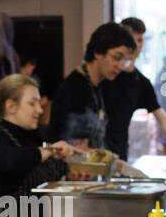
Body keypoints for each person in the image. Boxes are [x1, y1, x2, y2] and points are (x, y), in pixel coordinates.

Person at [0, 73, 76, 217]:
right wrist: (48, 151)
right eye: (32, 103)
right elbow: (11, 162)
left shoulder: (35, 139)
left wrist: (70, 174)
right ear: (11, 106)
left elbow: (48, 177)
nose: (40, 110)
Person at [102, 17, 166, 160]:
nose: (135, 44)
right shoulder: (105, 75)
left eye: (140, 40)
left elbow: (164, 122)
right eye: (130, 38)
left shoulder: (141, 83)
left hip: (118, 158)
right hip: (94, 158)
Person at [46, 22, 136, 150]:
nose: (120, 66)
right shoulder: (73, 89)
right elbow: (68, 145)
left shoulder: (100, 84)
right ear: (98, 52)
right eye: (117, 57)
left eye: (124, 60)